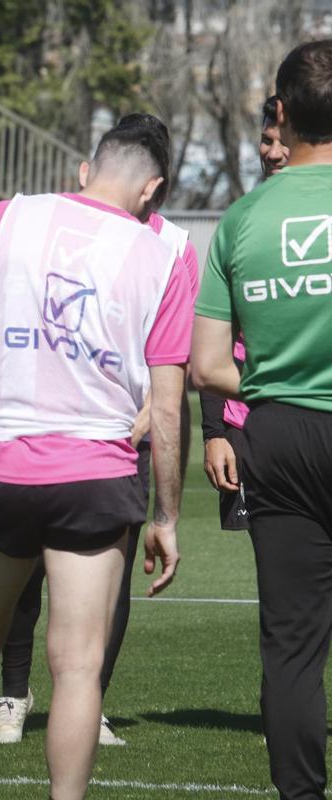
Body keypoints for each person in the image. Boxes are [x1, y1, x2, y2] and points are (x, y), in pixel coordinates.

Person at [0, 122, 190, 800]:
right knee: (77, 666)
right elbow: (166, 408)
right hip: (97, 477)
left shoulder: (6, 217)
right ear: (152, 189)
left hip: (2, 463)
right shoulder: (167, 255)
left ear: (84, 170)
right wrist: (166, 514)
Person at [0, 113, 200, 749]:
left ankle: (89, 698)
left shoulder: (173, 247)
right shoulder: (51, 224)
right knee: (24, 575)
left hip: (130, 439)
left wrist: (150, 414)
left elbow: (173, 360)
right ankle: (14, 695)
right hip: (47, 429)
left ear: (152, 189)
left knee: (114, 577)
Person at [191, 40, 332, 800]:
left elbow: (208, 365)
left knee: (292, 647)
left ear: (281, 112)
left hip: (275, 437)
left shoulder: (242, 220)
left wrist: (278, 374)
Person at [198, 95, 289, 534]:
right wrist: (214, 433)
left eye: (282, 141)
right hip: (248, 428)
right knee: (279, 575)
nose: (272, 152)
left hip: (315, 422)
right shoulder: (242, 223)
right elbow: (215, 338)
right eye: (265, 140)